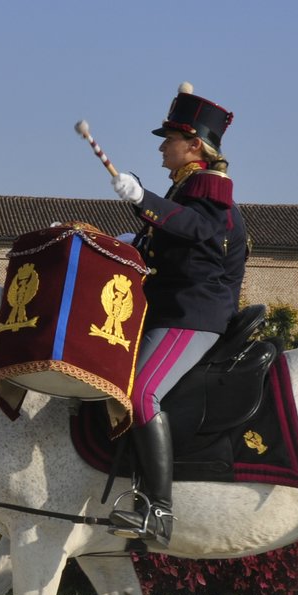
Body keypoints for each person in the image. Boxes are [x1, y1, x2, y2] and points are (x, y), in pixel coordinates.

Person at [106, 82, 248, 547]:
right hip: (168, 307)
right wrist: (130, 241)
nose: (162, 148)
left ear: (194, 147)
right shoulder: (187, 189)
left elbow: (194, 229)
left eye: (169, 140)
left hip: (194, 314)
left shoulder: (211, 190)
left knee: (141, 393)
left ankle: (159, 510)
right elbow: (171, 238)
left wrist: (141, 198)